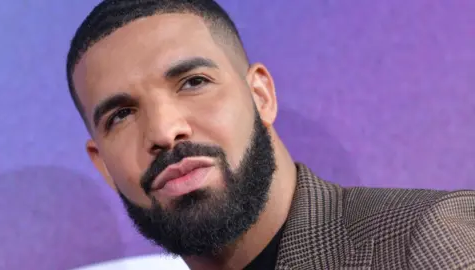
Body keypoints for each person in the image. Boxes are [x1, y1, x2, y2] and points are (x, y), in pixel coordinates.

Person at [66, 0, 475, 269]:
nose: (164, 131)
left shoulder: (424, 241)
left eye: (193, 82)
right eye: (120, 115)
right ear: (102, 163)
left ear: (260, 95)